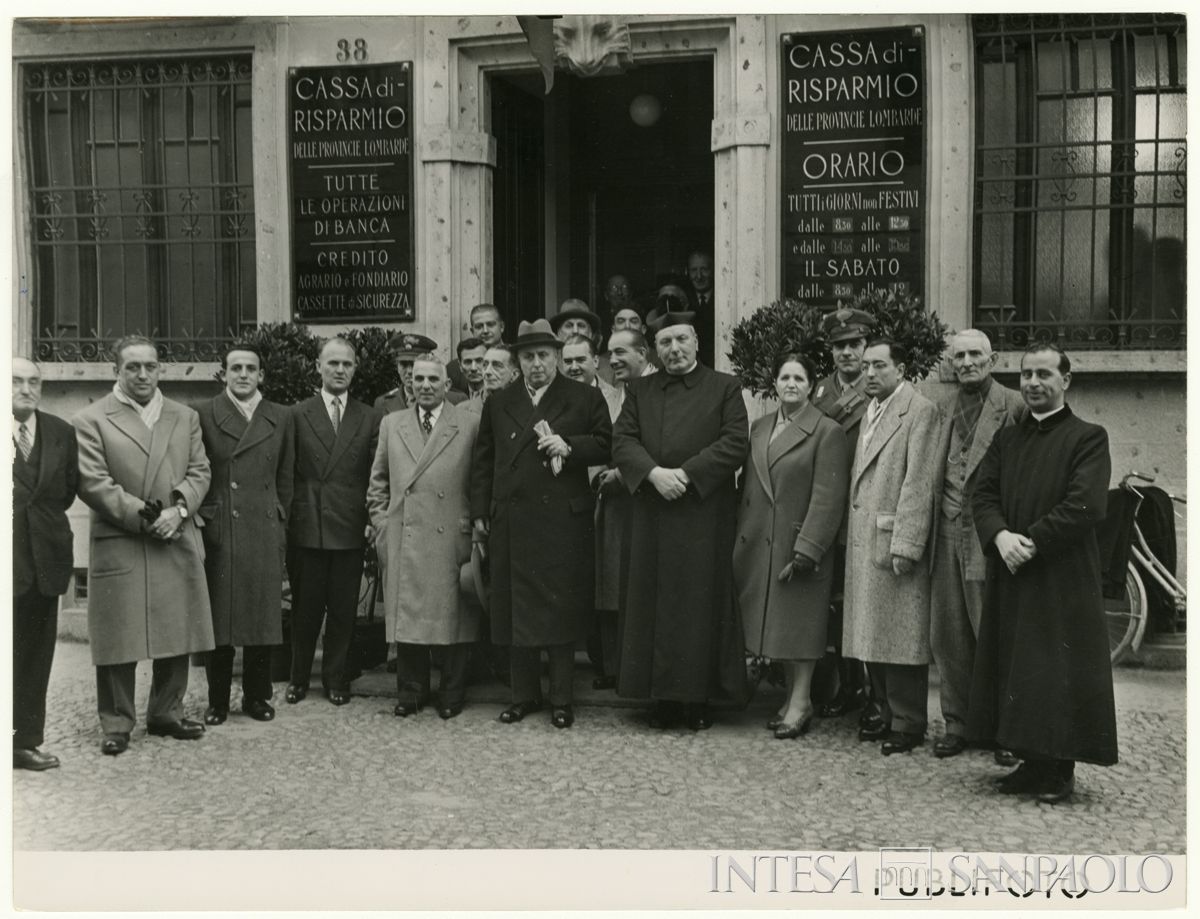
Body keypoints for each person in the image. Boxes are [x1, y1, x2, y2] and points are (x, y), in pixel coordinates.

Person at [968, 344, 1117, 804]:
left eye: (1044, 374)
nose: (1032, 383)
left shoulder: (1088, 437)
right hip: (1012, 572)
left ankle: (1060, 770)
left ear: (1066, 380)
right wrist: (999, 538)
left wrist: (1028, 540)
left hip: (1060, 576)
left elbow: (1086, 504)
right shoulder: (1008, 438)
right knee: (1021, 670)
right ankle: (1031, 762)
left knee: (1058, 670)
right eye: (1026, 375)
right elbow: (983, 493)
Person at [72, 335, 215, 755]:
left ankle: (166, 712)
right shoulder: (92, 419)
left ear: (160, 369)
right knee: (120, 632)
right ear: (116, 370)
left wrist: (180, 510)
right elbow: (94, 483)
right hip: (124, 536)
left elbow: (200, 470)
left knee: (177, 627)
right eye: (132, 367)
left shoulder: (183, 416)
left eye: (150, 366)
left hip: (175, 532)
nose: (142, 374)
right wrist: (148, 518)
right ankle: (116, 723)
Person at [470, 318, 612, 729]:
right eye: (528, 357)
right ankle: (523, 695)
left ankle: (562, 699)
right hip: (513, 521)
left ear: (557, 357)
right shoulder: (500, 401)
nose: (537, 364)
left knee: (560, 611)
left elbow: (609, 443)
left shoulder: (583, 397)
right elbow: (484, 460)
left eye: (544, 356)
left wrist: (569, 446)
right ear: (517, 361)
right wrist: (481, 510)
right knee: (517, 611)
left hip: (562, 524)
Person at [613, 307, 749, 730]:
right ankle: (662, 700)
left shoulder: (725, 387)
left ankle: (698, 700)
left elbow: (734, 443)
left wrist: (687, 475)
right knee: (654, 605)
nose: (674, 349)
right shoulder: (640, 390)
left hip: (702, 516)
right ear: (655, 348)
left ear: (696, 341)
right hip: (653, 512)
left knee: (698, 605)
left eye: (681, 340)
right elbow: (622, 440)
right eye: (665, 343)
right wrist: (654, 474)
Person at [734, 352, 848, 739]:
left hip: (797, 543)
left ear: (812, 385)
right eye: (784, 377)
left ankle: (801, 701)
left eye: (799, 378)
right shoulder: (761, 426)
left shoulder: (825, 431)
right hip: (760, 542)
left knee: (801, 627)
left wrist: (809, 548)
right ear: (775, 383)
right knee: (778, 625)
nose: (791, 385)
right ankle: (790, 699)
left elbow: (828, 496)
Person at [929, 330, 1024, 764]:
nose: (966, 362)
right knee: (949, 631)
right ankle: (958, 723)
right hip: (947, 527)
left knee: (991, 629)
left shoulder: (1013, 406)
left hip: (988, 532)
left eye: (975, 355)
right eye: (959, 356)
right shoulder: (942, 407)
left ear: (993, 359)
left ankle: (1007, 729)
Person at [368, 358, 482, 720]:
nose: (425, 385)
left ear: (447, 384)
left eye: (434, 379)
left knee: (453, 617)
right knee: (410, 616)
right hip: (406, 533)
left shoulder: (469, 423)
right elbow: (378, 482)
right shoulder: (392, 423)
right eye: (418, 378)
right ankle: (411, 692)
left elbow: (480, 480)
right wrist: (383, 524)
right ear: (409, 383)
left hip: (451, 531)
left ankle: (451, 692)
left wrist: (474, 524)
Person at [842, 338, 940, 756]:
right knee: (873, 631)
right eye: (865, 366)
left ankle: (908, 721)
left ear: (901, 369)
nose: (869, 373)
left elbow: (920, 481)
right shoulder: (871, 409)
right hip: (866, 536)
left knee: (901, 634)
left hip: (893, 536)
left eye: (879, 366)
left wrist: (907, 543)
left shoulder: (919, 411)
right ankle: (881, 709)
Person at [195, 345, 294, 725]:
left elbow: (286, 475)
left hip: (264, 525)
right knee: (220, 621)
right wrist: (209, 517)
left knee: (261, 618)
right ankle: (217, 700)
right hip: (223, 526)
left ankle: (257, 696)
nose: (242, 375)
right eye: (235, 368)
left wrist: (279, 518)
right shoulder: (204, 413)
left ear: (261, 375)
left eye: (250, 369)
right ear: (224, 373)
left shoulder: (280, 416)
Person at [286, 337, 381, 706]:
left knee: (343, 611)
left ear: (355, 369)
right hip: (308, 526)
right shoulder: (298, 414)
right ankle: (298, 678)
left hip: (349, 526)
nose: (340, 370)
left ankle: (335, 679)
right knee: (305, 610)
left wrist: (372, 519)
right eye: (333, 364)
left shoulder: (370, 416)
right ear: (318, 367)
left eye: (347, 364)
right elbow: (289, 473)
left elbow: (376, 474)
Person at [12, 357, 77, 770]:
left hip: (44, 561)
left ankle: (24, 742)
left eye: (34, 381)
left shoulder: (59, 432)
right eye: (16, 381)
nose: (26, 388)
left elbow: (66, 491)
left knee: (36, 656)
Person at [811, 307, 875, 720]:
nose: (847, 353)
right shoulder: (817, 391)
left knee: (865, 602)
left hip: (865, 510)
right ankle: (845, 685)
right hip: (828, 511)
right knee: (832, 602)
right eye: (839, 346)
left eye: (854, 344)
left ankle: (871, 688)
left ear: (867, 346)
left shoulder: (879, 387)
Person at [589, 329, 657, 690]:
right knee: (612, 585)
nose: (612, 360)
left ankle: (636, 669)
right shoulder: (617, 394)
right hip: (616, 504)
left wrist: (622, 470)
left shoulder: (657, 390)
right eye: (609, 354)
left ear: (643, 353)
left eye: (620, 352)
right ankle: (617, 669)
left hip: (644, 499)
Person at [376, 333, 466, 414]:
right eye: (403, 364)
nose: (409, 371)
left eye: (414, 364)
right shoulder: (383, 403)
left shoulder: (455, 400)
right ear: (397, 367)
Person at [448, 303, 506, 392]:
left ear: (501, 327)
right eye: (479, 326)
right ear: (472, 331)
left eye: (490, 325)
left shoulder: (517, 360)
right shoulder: (454, 369)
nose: (485, 331)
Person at [685, 250, 716, 367]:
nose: (699, 276)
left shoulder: (722, 300)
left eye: (704, 269)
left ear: (713, 271)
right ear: (688, 272)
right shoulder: (684, 301)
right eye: (694, 270)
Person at [456, 337, 488, 402]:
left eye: (479, 361)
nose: (474, 368)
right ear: (460, 366)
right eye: (468, 362)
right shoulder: (455, 396)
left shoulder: (500, 394)